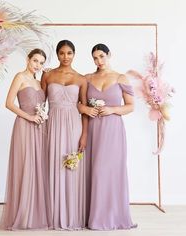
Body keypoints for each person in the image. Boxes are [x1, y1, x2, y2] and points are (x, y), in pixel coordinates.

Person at [79, 43, 137, 230]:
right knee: (95, 171)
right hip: (94, 130)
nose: (99, 61)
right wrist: (86, 111)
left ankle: (113, 217)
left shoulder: (121, 78)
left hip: (113, 130)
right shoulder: (87, 78)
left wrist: (112, 109)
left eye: (102, 56)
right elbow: (78, 104)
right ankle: (94, 218)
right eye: (95, 58)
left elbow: (130, 106)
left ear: (109, 55)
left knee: (111, 172)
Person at [0, 49, 50, 230]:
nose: (37, 64)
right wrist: (29, 117)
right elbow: (9, 103)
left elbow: (44, 104)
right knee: (25, 166)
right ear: (28, 59)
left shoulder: (39, 82)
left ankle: (35, 212)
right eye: (35, 60)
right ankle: (23, 214)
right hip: (24, 125)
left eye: (41, 62)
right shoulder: (20, 77)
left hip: (40, 127)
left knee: (38, 167)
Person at [41, 40, 88, 230]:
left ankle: (72, 215)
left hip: (73, 126)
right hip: (52, 124)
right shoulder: (48, 75)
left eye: (69, 53)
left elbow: (84, 109)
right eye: (61, 53)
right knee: (53, 166)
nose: (65, 57)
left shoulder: (81, 79)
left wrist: (84, 135)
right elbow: (39, 101)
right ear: (57, 54)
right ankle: (52, 214)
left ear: (74, 54)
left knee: (71, 168)